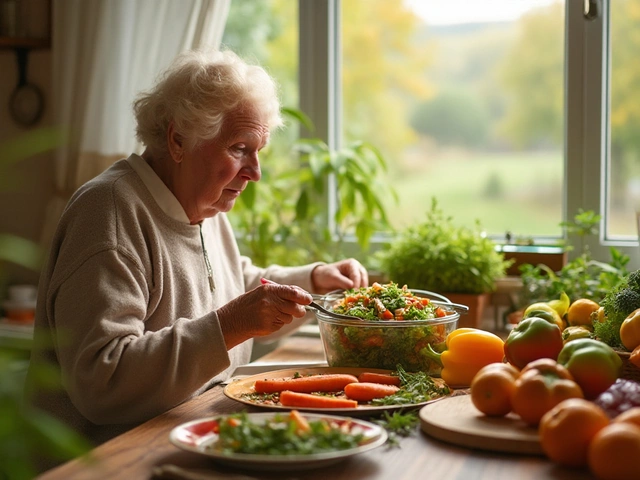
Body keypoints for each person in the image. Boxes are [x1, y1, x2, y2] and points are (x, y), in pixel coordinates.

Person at [24, 48, 368, 448]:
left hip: (190, 439)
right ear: (178, 140)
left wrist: (314, 281)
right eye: (240, 148)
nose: (255, 172)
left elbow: (231, 284)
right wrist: (230, 326)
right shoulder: (110, 212)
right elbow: (103, 379)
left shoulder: (203, 206)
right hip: (109, 462)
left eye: (259, 151)